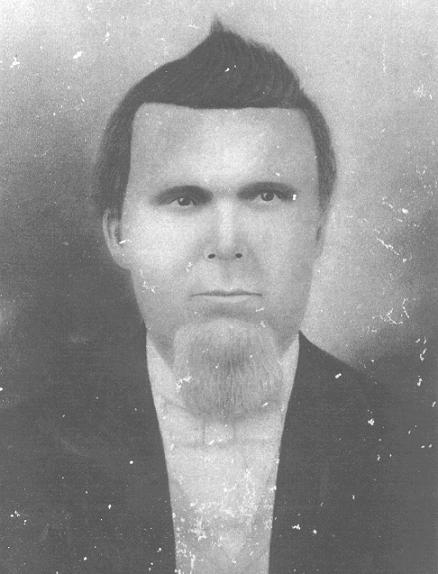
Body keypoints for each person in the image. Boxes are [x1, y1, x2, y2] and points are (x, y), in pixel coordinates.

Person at [0, 20, 433, 574]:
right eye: (184, 199)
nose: (227, 245)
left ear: (318, 231)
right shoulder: (19, 452)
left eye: (267, 195)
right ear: (118, 234)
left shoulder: (416, 447)